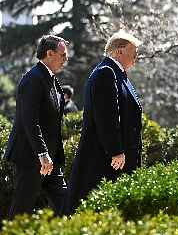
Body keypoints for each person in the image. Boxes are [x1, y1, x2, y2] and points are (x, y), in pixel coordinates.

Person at [64, 30, 143, 214]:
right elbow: (106, 116)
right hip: (107, 159)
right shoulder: (106, 73)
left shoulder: (118, 73)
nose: (136, 56)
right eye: (134, 51)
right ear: (120, 50)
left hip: (118, 158)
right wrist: (116, 151)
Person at [3, 35, 69, 218]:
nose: (66, 60)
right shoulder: (32, 79)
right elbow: (30, 120)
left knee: (65, 204)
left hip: (51, 160)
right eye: (63, 55)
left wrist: (51, 156)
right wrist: (43, 154)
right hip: (31, 158)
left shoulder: (52, 80)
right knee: (21, 212)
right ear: (49, 53)